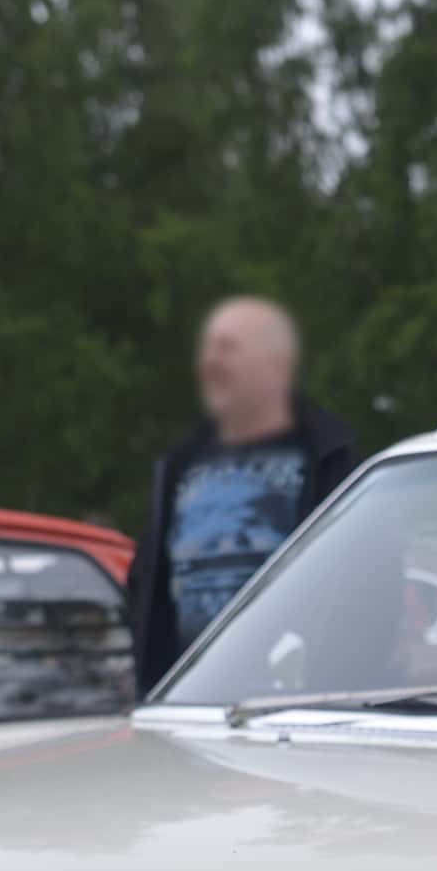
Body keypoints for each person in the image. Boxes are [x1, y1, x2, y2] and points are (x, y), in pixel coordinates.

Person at [128, 297, 362, 695]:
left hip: (293, 711)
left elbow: (363, 588)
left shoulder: (328, 460)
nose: (210, 363)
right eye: (208, 348)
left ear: (277, 365)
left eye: (227, 348)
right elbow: (148, 586)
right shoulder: (180, 464)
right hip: (190, 708)